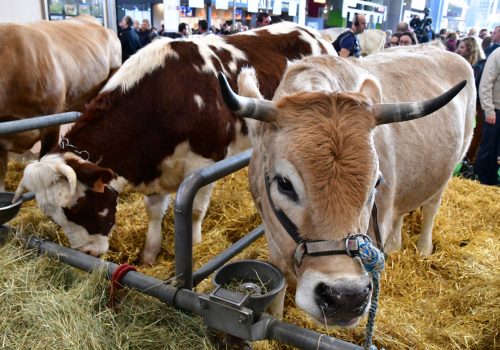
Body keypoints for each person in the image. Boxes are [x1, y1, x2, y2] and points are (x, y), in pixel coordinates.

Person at [475, 48, 500, 185]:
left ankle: (493, 180)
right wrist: (489, 110)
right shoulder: (497, 54)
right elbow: (486, 83)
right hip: (496, 110)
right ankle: (482, 180)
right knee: (489, 148)